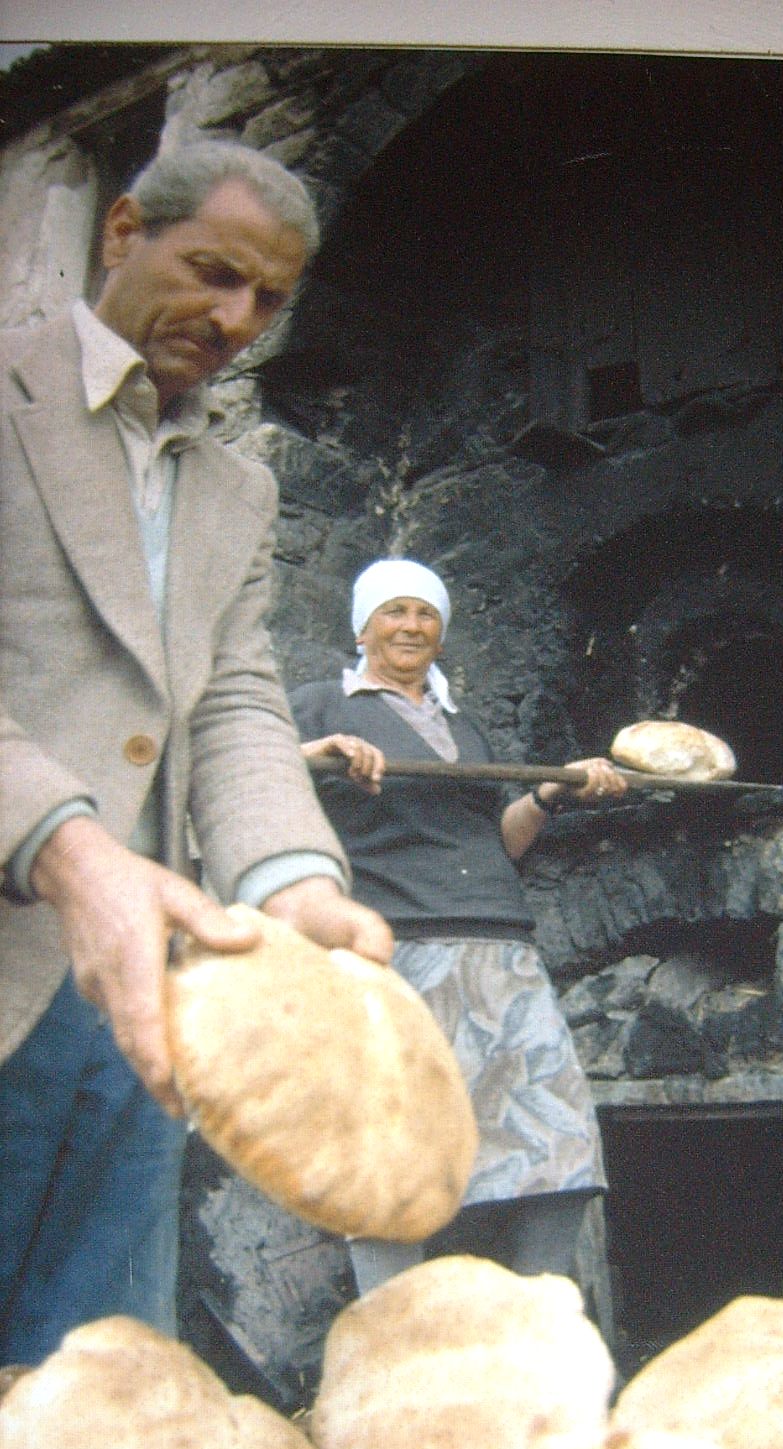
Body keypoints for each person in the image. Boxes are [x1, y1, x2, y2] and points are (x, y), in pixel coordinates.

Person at [0, 140, 393, 1364]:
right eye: (213, 272)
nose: (234, 320)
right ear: (122, 232)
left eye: (267, 300)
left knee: (101, 1385)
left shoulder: (237, 489)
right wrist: (74, 855)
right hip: (17, 946)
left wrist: (297, 887)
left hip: (148, 1005)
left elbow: (229, 698)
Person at [293, 558, 628, 1291]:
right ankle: (390, 1331)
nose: (410, 626)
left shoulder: (463, 729)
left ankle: (537, 1319)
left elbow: (496, 841)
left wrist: (549, 791)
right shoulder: (321, 706)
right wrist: (315, 755)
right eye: (394, 611)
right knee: (395, 1148)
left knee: (561, 1142)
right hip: (398, 946)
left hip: (500, 944)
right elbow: (245, 783)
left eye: (425, 615)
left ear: (441, 635)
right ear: (361, 626)